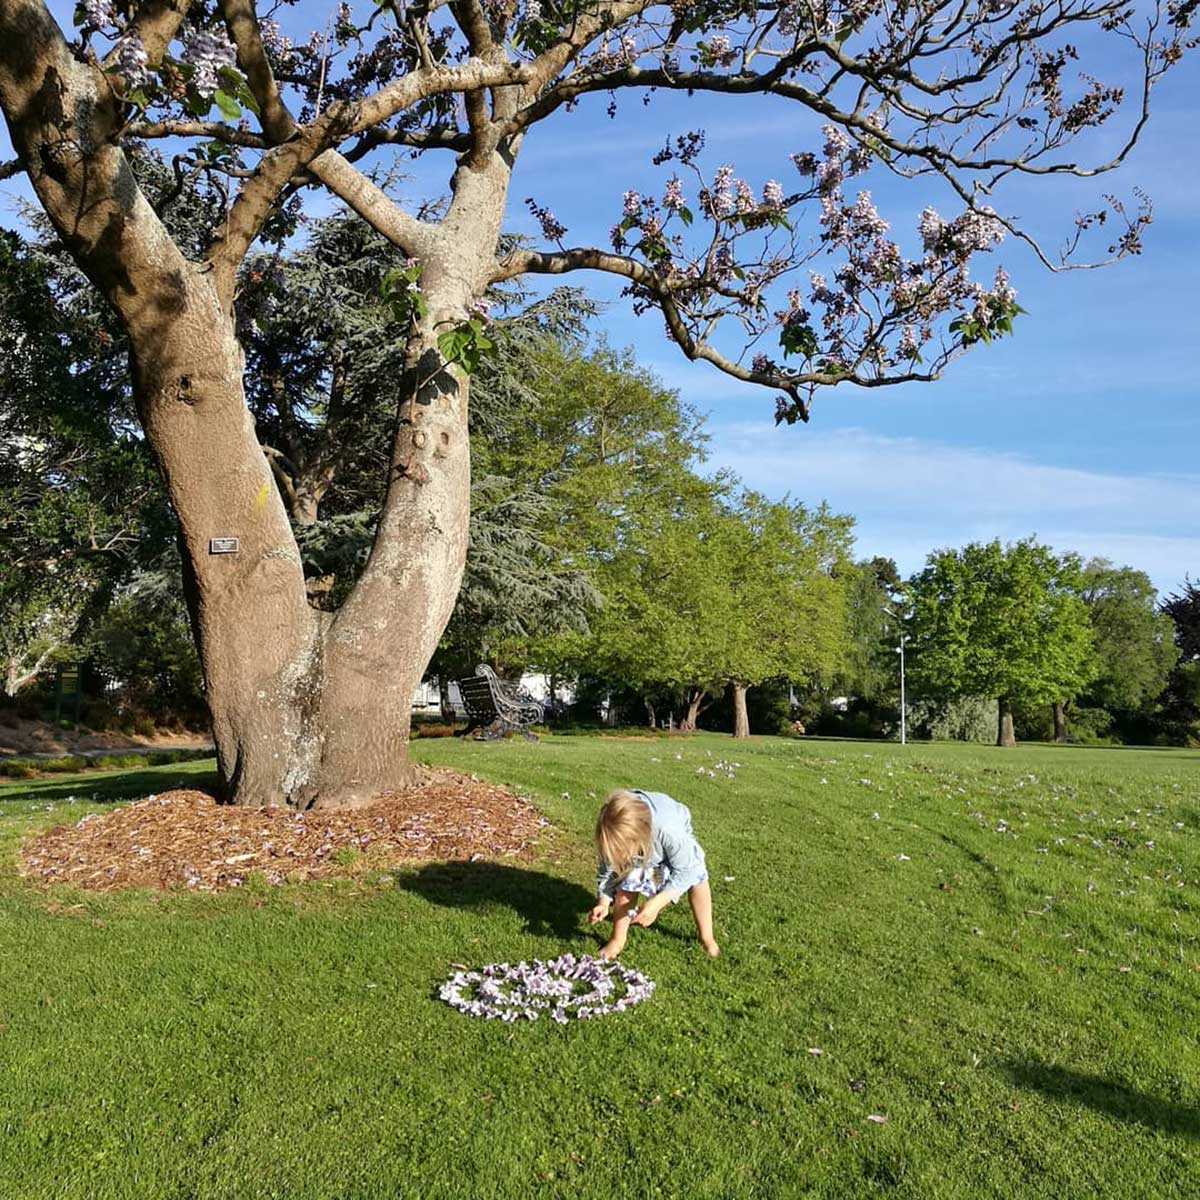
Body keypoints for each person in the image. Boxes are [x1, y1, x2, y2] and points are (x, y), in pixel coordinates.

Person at [589, 788, 720, 960]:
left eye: (622, 851)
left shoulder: (669, 831)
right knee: (628, 883)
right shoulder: (613, 834)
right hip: (644, 842)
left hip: (672, 838)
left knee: (698, 879)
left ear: (639, 838)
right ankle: (617, 940)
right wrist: (604, 901)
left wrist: (657, 903)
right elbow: (607, 871)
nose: (618, 855)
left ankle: (707, 938)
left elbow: (689, 870)